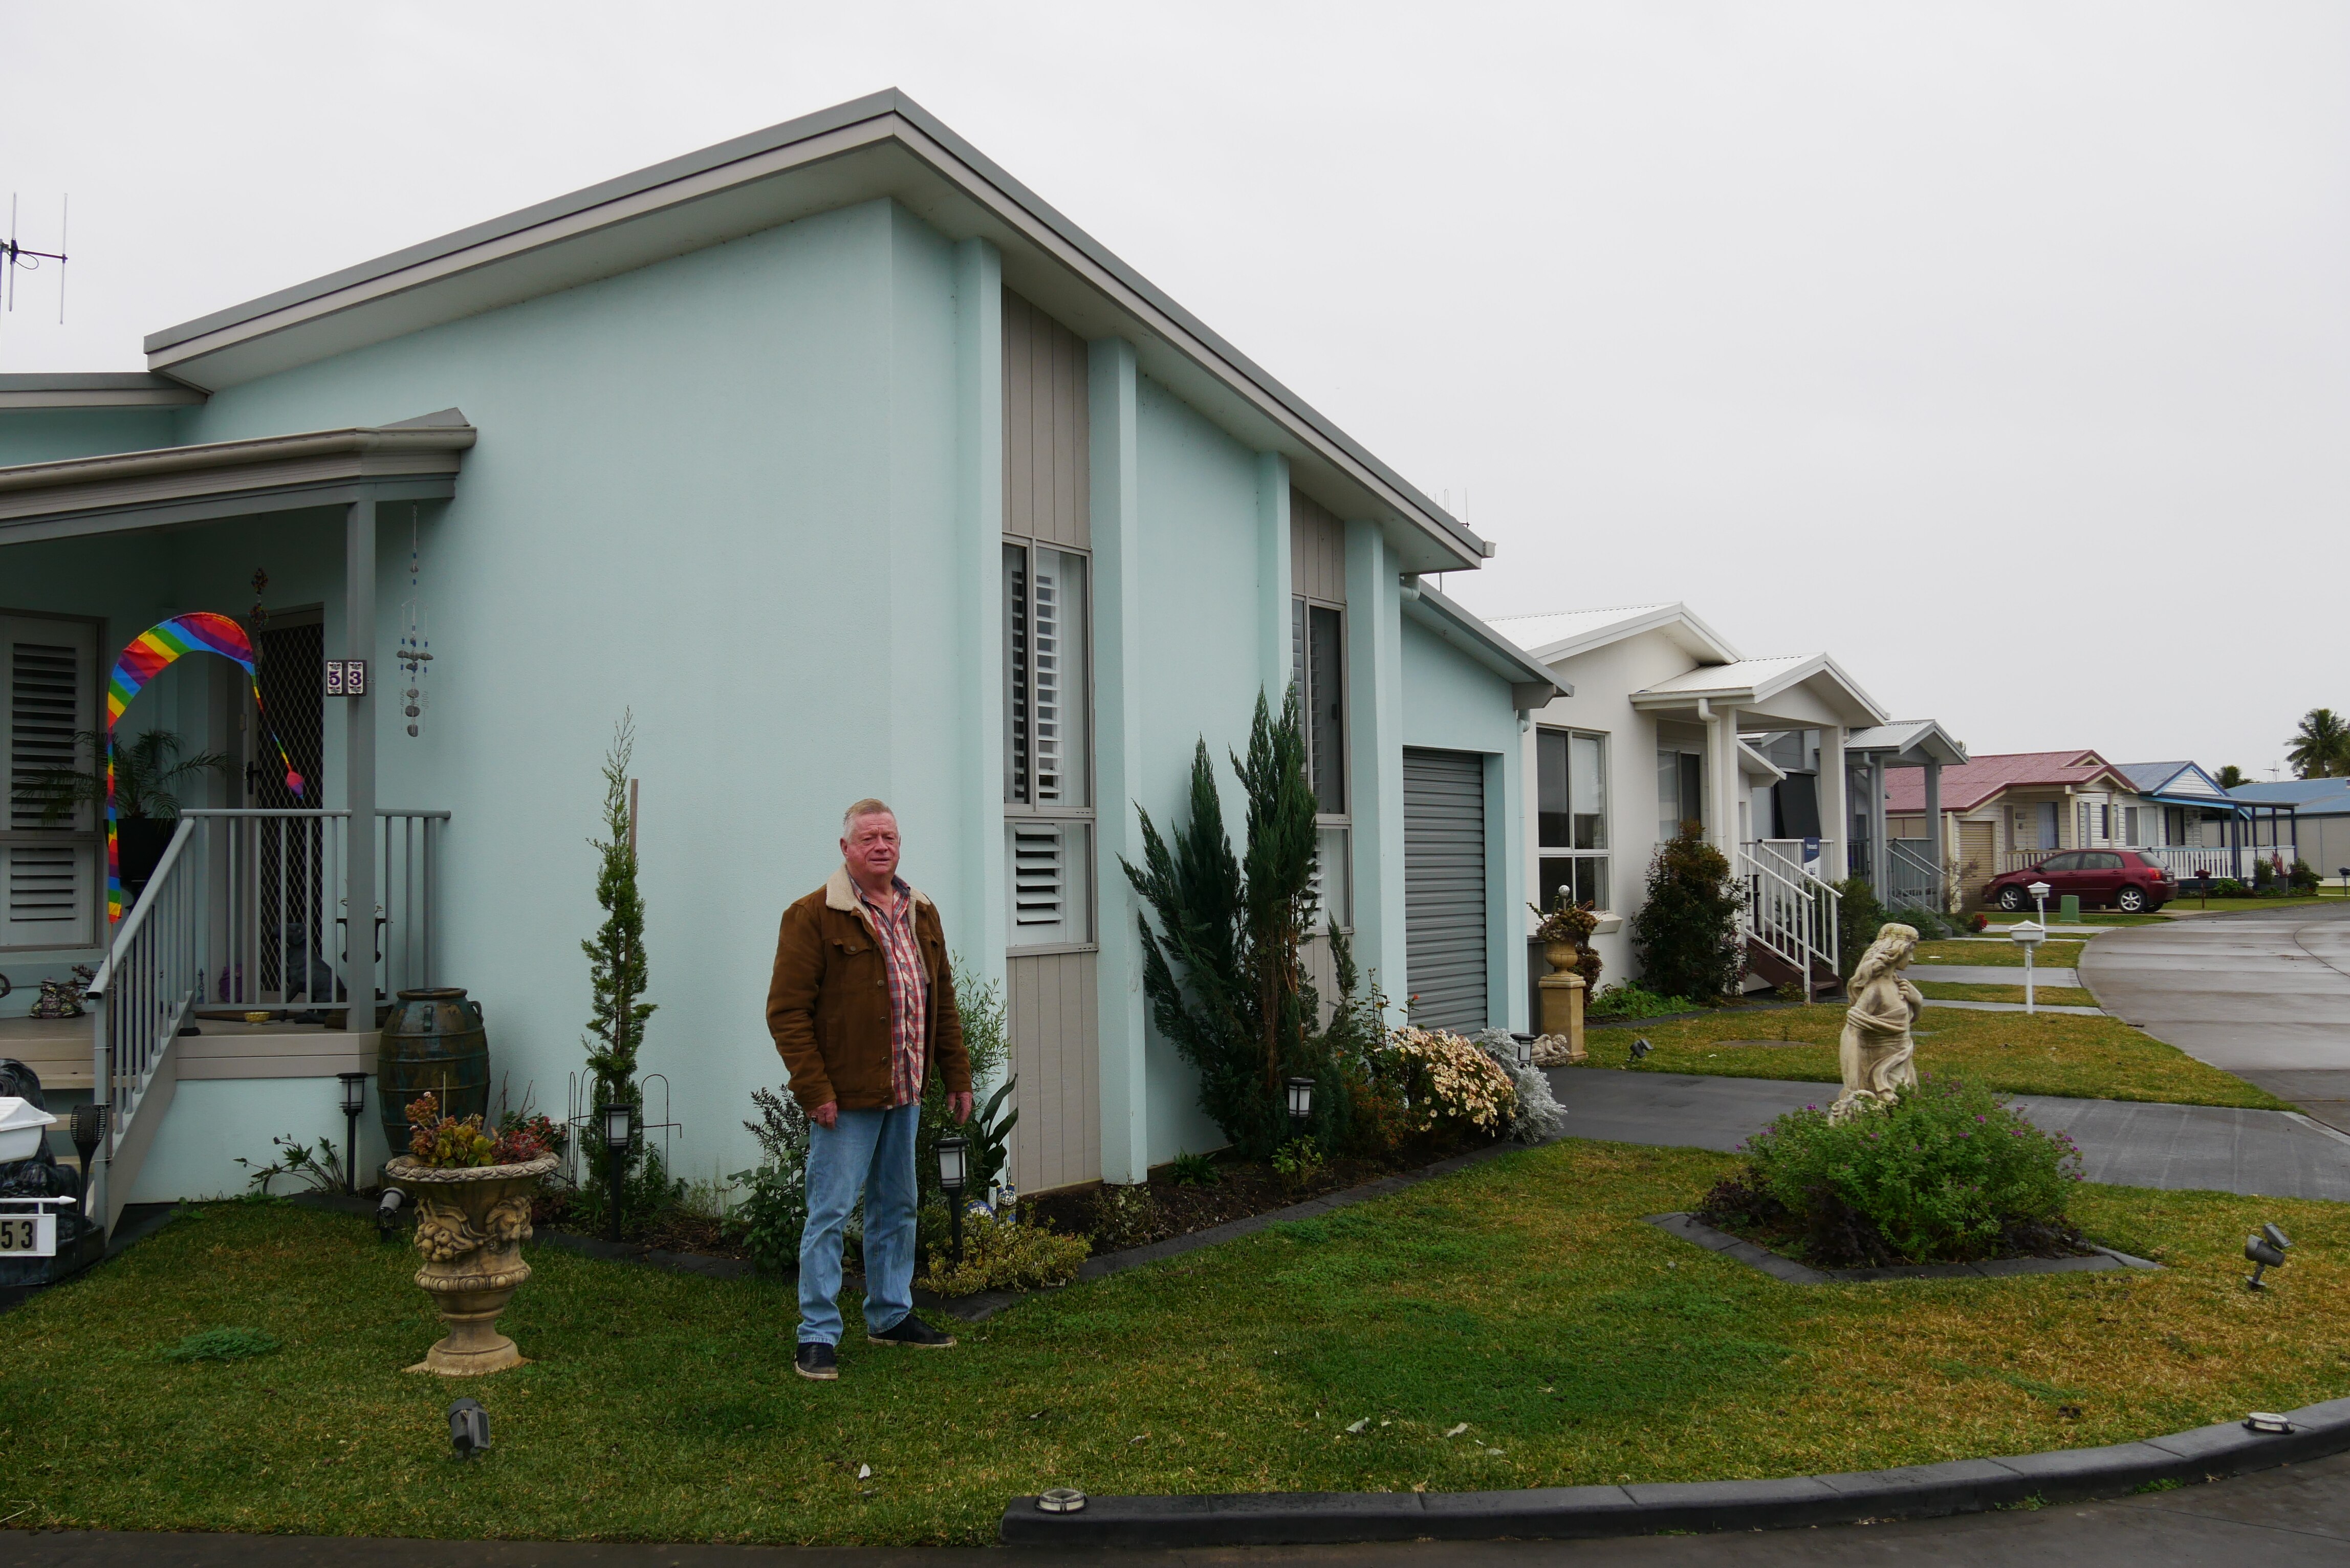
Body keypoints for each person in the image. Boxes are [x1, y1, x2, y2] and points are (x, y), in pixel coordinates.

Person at [767, 798, 973, 1381]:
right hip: (845, 1099)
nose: (880, 845)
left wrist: (955, 1074)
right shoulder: (812, 915)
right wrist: (814, 1089)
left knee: (897, 1207)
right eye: (868, 838)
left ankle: (889, 1315)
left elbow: (943, 1003)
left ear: (899, 844)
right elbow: (786, 1012)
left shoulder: (921, 911)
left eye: (889, 836)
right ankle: (816, 1334)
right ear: (846, 849)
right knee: (829, 1213)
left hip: (904, 1090)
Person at [1830, 922, 1924, 1123]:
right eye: (1911, 952)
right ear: (1897, 952)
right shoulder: (1876, 989)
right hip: (1882, 1069)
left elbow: (1906, 1024)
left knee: (1906, 1115)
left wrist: (1918, 1003)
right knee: (1891, 1117)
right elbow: (1851, 1032)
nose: (1913, 958)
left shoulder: (1898, 983)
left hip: (1902, 1061)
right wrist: (1852, 1087)